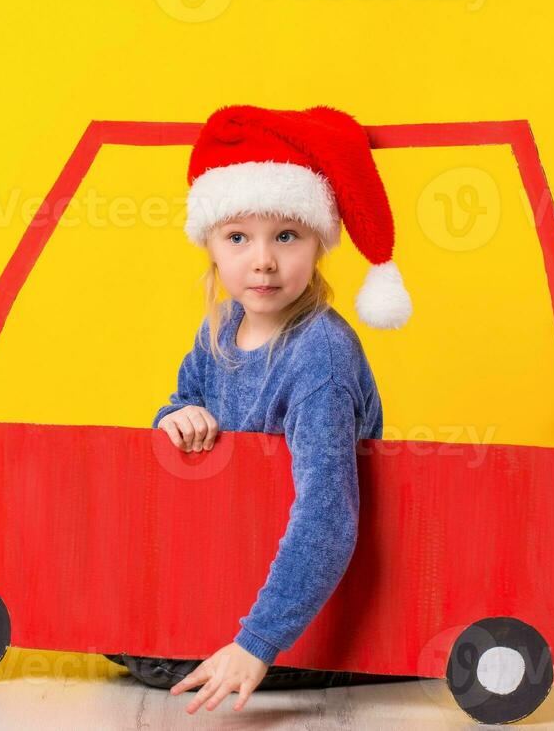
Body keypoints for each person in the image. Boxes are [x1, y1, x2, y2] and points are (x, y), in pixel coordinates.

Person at [108, 104, 418, 715]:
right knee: (118, 630)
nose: (264, 261)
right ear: (213, 249)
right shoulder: (221, 329)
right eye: (238, 238)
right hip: (234, 561)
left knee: (155, 661)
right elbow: (184, 399)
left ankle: (305, 655)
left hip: (312, 605)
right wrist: (175, 417)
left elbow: (328, 517)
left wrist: (257, 644)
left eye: (286, 235)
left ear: (318, 243)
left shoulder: (319, 359)